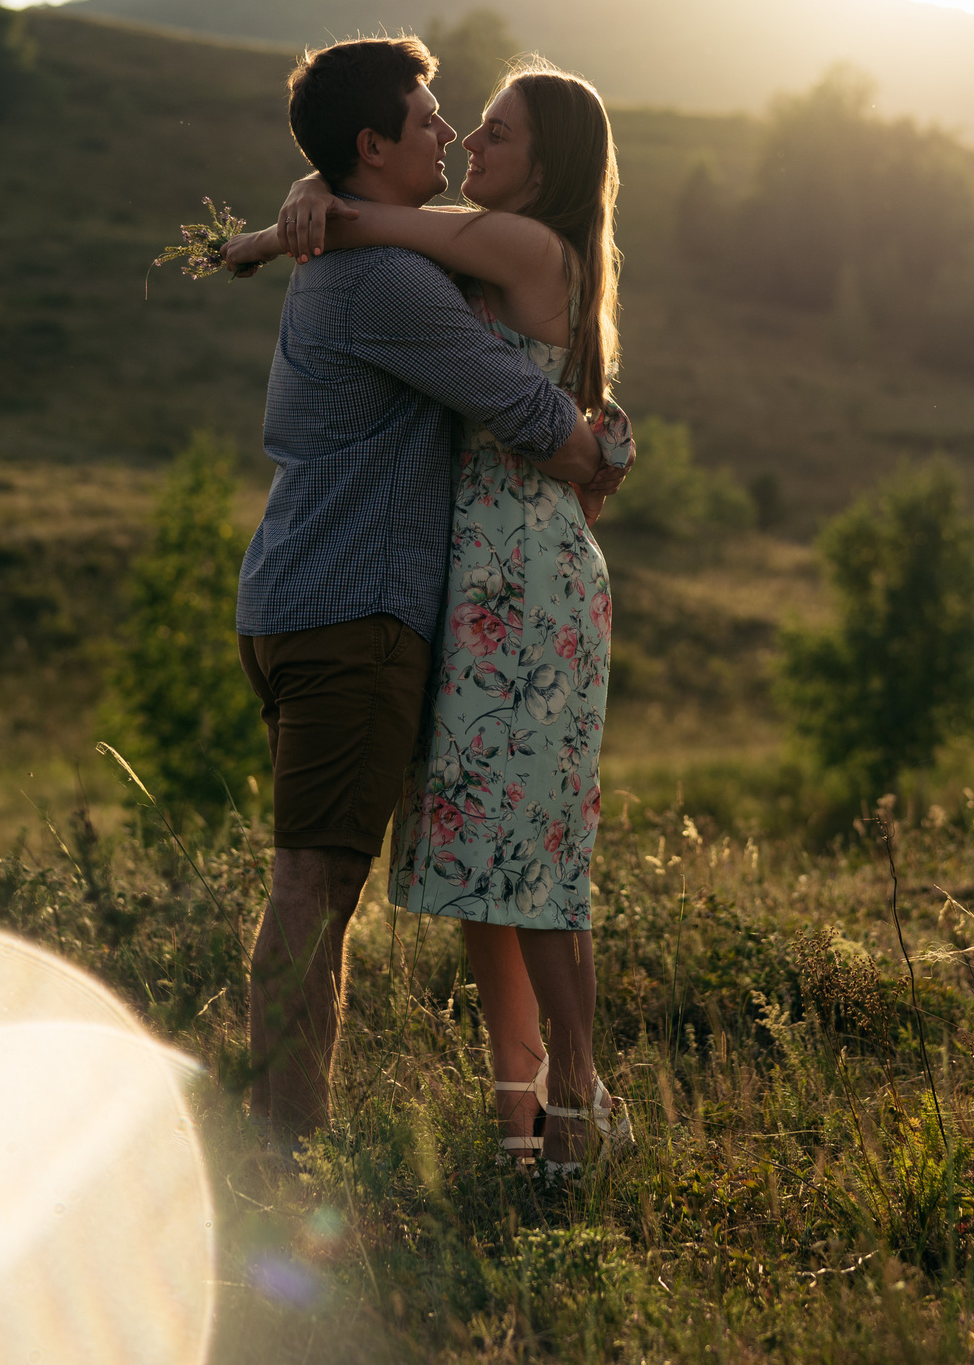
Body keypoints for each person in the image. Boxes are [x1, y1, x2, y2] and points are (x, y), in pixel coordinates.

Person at [227, 57, 633, 1174]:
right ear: (372, 144)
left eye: (489, 131)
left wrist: (295, 219)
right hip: (404, 601)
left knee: (512, 864)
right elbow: (541, 418)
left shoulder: (463, 254)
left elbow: (528, 393)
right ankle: (291, 1141)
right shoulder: (406, 275)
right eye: (438, 120)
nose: (457, 137)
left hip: (488, 588)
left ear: (546, 161)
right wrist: (601, 450)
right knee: (411, 874)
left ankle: (556, 1108)